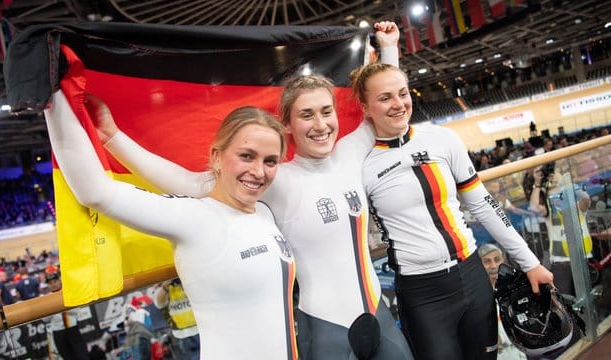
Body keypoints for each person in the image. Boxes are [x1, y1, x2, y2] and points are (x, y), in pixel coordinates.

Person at [90, 22, 412, 360]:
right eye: (306, 115)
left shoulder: (352, 149)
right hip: (326, 328)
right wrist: (113, 138)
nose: (320, 124)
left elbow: (385, 103)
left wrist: (389, 48)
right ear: (287, 125)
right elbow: (186, 182)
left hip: (380, 316)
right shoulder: (274, 179)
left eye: (326, 111)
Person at [44, 89, 296, 360]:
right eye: (246, 156)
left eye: (270, 161)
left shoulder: (263, 212)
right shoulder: (194, 218)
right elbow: (96, 192)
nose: (259, 171)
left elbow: (188, 180)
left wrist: (114, 138)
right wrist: (52, 95)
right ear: (216, 157)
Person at [351, 62, 553, 359]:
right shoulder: (360, 164)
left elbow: (484, 205)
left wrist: (530, 262)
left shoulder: (441, 138)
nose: (398, 104)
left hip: (472, 276)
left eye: (403, 93)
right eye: (384, 98)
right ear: (365, 107)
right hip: (422, 293)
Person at [528, 165, 593, 296]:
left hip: (583, 260)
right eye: (552, 187)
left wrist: (565, 183)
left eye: (558, 186)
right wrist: (537, 184)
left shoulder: (577, 207)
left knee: (590, 299)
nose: (556, 190)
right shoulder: (549, 211)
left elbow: (586, 198)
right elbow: (534, 208)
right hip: (560, 265)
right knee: (565, 303)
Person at [478, 243, 527, 360]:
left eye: (497, 259)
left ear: (503, 260)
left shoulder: (514, 288)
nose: (493, 266)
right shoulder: (476, 295)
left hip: (518, 351)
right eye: (487, 262)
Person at [44, 271, 90, 360]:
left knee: (83, 356)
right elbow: (45, 319)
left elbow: (76, 311)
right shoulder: (46, 299)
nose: (53, 284)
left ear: (60, 281)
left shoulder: (68, 293)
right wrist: (52, 306)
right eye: (50, 283)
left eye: (55, 281)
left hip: (72, 329)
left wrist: (59, 304)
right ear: (47, 285)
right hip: (58, 332)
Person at [153, 278, 200, 360]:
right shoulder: (164, 287)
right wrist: (165, 287)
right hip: (180, 334)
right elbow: (158, 304)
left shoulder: (187, 280)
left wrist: (183, 283)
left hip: (199, 330)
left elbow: (199, 295)